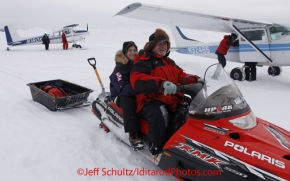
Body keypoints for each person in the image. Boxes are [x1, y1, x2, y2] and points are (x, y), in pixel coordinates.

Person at [130, 29, 202, 155]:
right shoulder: (144, 62)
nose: (163, 46)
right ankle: (157, 148)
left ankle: (193, 141)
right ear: (152, 45)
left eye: (165, 44)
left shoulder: (169, 62)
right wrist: (161, 83)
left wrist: (196, 79)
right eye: (160, 43)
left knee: (193, 106)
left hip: (171, 98)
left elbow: (181, 76)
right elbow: (138, 80)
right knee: (159, 113)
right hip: (150, 100)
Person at [109, 41, 144, 151]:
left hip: (135, 91)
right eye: (130, 50)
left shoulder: (138, 64)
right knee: (128, 100)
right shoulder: (120, 68)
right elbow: (123, 88)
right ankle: (133, 134)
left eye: (135, 50)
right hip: (119, 94)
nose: (133, 53)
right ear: (125, 52)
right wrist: (140, 88)